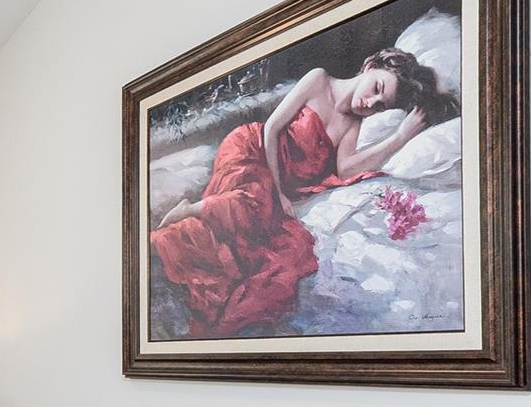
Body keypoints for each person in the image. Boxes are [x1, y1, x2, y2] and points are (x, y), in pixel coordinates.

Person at [152, 48, 450, 337]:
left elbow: (346, 169)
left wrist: (399, 137)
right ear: (370, 67)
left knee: (285, 252)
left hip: (270, 183)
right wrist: (279, 192)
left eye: (380, 106)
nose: (370, 102)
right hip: (252, 149)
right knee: (255, 203)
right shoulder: (320, 80)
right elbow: (271, 128)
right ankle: (189, 209)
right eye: (376, 89)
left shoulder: (352, 123)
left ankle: (200, 216)